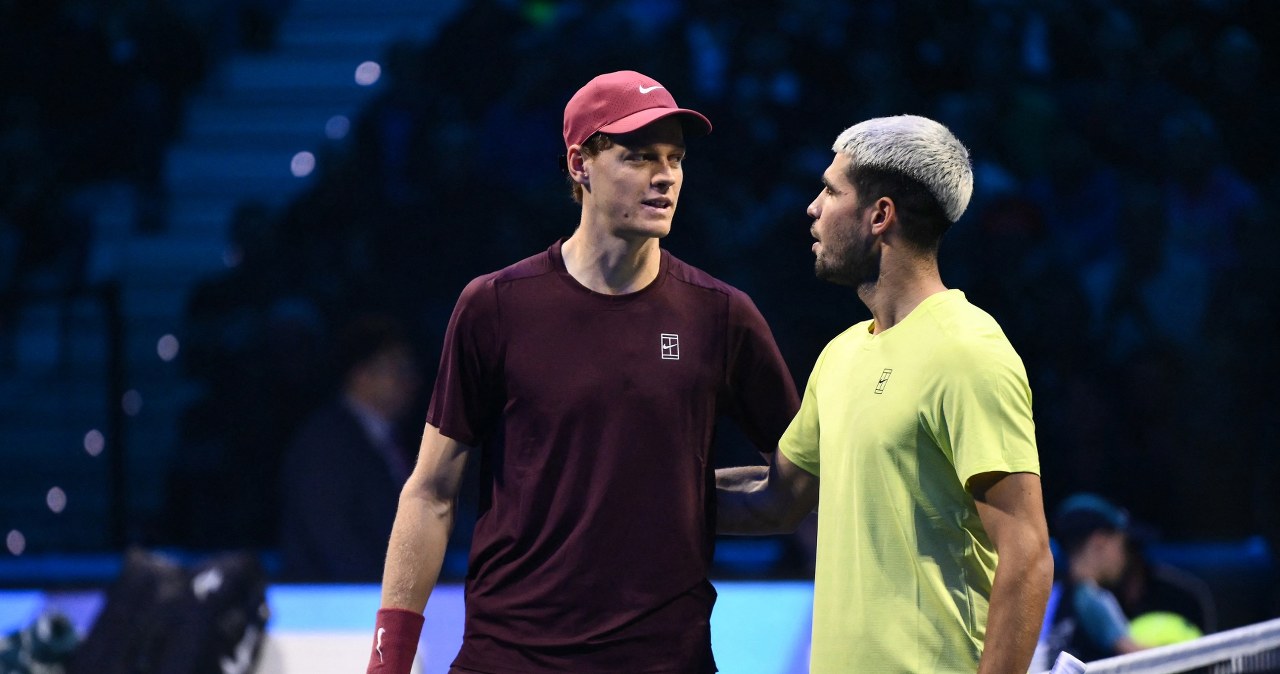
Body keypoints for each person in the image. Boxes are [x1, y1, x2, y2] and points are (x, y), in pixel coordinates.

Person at [366, 70, 799, 674]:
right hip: (509, 659)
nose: (665, 176)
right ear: (580, 164)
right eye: (639, 156)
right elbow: (433, 492)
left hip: (664, 661)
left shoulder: (722, 316)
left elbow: (794, 485)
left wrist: (669, 498)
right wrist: (388, 663)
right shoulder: (495, 306)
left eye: (675, 158)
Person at [716, 115, 1053, 673]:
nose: (813, 208)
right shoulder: (842, 354)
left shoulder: (967, 351)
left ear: (880, 216)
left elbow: (1029, 556)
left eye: (830, 190)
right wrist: (648, 493)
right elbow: (777, 498)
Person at [278, 314, 420, 581]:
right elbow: (332, 538)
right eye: (398, 369)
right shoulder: (326, 443)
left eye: (410, 370)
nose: (410, 382)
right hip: (338, 610)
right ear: (361, 375)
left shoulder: (390, 442)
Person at [1042, 493, 1146, 663]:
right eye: (1122, 545)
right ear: (1100, 541)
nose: (1125, 558)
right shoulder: (1091, 597)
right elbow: (1141, 658)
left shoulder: (1049, 594)